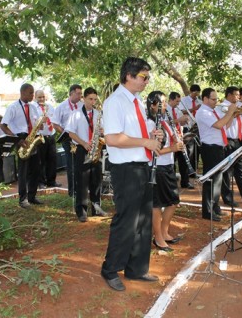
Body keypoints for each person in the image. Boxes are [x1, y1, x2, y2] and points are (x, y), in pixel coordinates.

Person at [101, 57, 162, 292]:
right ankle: (110, 269)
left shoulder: (136, 101)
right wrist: (145, 140)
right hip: (126, 169)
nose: (147, 81)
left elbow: (141, 132)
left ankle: (136, 268)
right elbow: (113, 139)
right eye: (143, 77)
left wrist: (155, 135)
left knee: (143, 221)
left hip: (143, 166)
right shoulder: (115, 102)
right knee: (126, 221)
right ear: (129, 75)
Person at [146, 91, 183, 251]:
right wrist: (173, 148)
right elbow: (156, 150)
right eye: (161, 102)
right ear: (153, 105)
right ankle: (159, 238)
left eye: (165, 102)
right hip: (156, 167)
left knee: (173, 201)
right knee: (157, 204)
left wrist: (179, 141)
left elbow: (171, 140)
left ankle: (164, 231)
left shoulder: (165, 121)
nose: (165, 105)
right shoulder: (149, 123)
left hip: (167, 165)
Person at [65, 87, 107, 222]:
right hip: (82, 149)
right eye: (90, 99)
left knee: (96, 180)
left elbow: (104, 131)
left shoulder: (98, 114)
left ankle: (96, 208)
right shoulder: (75, 114)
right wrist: (84, 143)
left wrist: (102, 131)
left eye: (95, 99)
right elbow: (71, 133)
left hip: (95, 149)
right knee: (82, 182)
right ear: (83, 98)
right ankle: (81, 210)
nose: (93, 102)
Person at [196, 88, 236, 221]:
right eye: (213, 99)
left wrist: (232, 115)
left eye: (216, 99)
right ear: (205, 99)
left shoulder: (213, 112)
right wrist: (229, 112)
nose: (216, 102)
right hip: (210, 149)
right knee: (210, 180)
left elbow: (225, 127)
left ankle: (215, 207)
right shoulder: (203, 112)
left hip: (219, 147)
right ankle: (207, 211)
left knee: (218, 180)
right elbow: (219, 125)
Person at [1, 83, 42, 208]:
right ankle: (23, 199)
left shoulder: (34, 107)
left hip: (32, 138)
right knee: (23, 171)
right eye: (30, 93)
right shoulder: (13, 107)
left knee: (35, 169)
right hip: (21, 139)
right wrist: (17, 140)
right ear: (23, 92)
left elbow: (36, 123)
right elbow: (3, 125)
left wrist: (40, 125)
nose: (32, 95)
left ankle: (32, 196)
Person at [52, 84, 83, 197]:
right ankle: (72, 191)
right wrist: (66, 133)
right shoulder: (61, 107)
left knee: (81, 163)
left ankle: (81, 188)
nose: (80, 96)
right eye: (78, 93)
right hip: (68, 140)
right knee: (71, 165)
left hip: (81, 139)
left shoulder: (82, 105)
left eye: (81, 93)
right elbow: (55, 124)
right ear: (71, 93)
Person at [34, 90, 61, 189]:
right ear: (35, 97)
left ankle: (51, 181)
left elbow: (54, 119)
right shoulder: (33, 107)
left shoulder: (50, 107)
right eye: (39, 97)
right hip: (40, 137)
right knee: (40, 161)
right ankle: (41, 182)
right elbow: (32, 122)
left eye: (43, 97)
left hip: (51, 135)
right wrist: (41, 121)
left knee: (52, 160)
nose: (41, 99)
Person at [166, 92, 193, 189]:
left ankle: (185, 182)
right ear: (171, 99)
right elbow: (164, 123)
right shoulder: (165, 109)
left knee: (183, 161)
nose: (178, 104)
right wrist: (178, 120)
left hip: (179, 138)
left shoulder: (177, 110)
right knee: (172, 162)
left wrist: (184, 121)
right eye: (177, 101)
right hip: (170, 139)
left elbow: (179, 124)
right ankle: (171, 183)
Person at [178, 84, 202, 173]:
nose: (196, 95)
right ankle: (187, 170)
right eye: (195, 93)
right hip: (187, 127)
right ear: (191, 92)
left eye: (198, 93)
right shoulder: (183, 100)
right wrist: (194, 108)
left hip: (197, 127)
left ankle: (194, 170)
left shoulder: (199, 101)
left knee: (196, 150)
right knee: (189, 150)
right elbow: (181, 111)